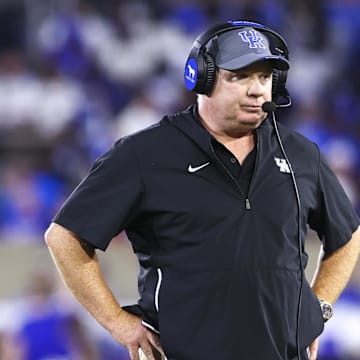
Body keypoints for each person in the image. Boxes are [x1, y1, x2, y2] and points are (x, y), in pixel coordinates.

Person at [44, 20, 360, 360]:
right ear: (202, 78)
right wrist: (118, 323)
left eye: (265, 78)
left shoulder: (301, 155)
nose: (257, 90)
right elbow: (65, 238)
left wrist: (318, 309)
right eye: (241, 76)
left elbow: (347, 236)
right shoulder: (145, 154)